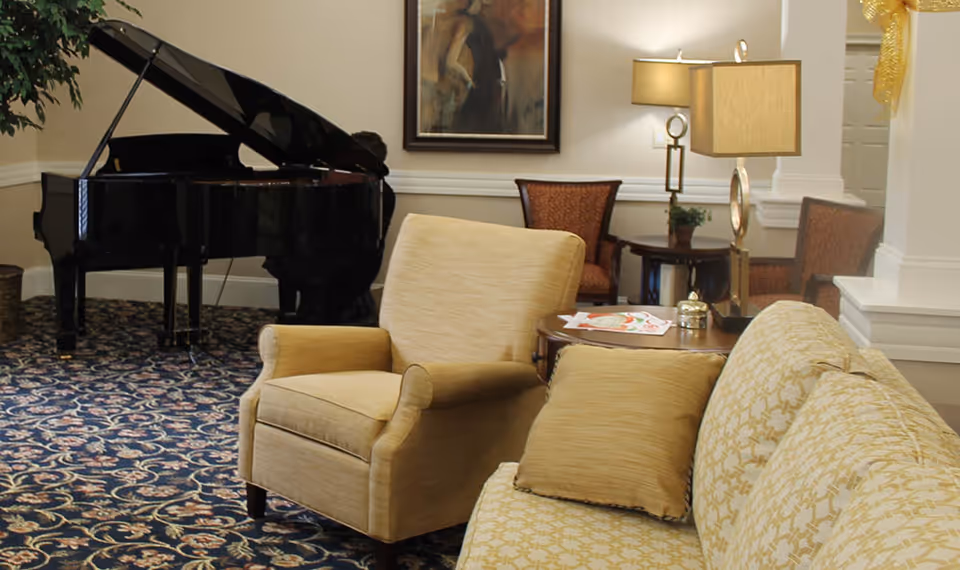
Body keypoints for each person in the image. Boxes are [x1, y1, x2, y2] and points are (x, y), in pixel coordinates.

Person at [262, 131, 395, 326]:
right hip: (353, 262)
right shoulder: (379, 189)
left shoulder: (354, 189)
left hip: (343, 264)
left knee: (290, 258)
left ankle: (305, 314)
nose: (334, 169)